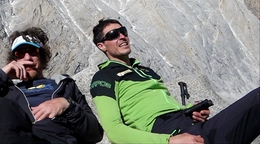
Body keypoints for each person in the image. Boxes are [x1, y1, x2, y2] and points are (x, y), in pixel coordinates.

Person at [89, 18, 259, 144]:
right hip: (169, 134)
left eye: (123, 31)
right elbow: (114, 131)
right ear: (101, 46)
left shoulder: (147, 71)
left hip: (191, 127)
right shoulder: (104, 77)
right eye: (113, 35)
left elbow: (165, 108)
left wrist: (191, 110)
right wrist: (169, 141)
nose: (122, 36)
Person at [0, 27, 103, 144]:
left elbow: (95, 134)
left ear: (42, 57)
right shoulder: (5, 91)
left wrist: (67, 106)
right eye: (20, 53)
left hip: (56, 140)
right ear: (14, 60)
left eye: (33, 52)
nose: (27, 58)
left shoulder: (63, 85)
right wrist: (1, 76)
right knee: (1, 105)